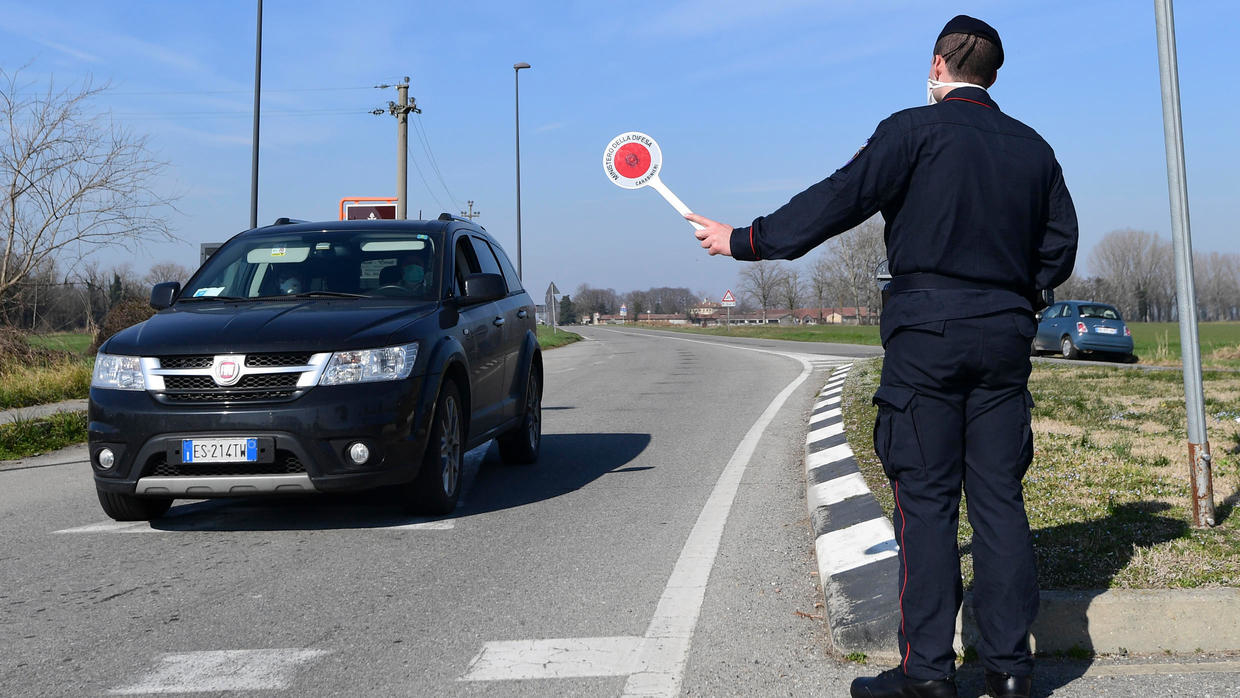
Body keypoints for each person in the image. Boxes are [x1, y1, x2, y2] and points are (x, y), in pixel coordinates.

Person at [687, 15, 1077, 698]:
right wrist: (1020, 296)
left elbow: (838, 201)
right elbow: (1059, 249)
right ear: (991, 75)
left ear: (937, 66)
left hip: (926, 335)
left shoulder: (910, 132)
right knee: (997, 499)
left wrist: (745, 239)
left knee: (925, 503)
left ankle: (927, 676)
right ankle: (1011, 674)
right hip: (1005, 334)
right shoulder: (1034, 149)